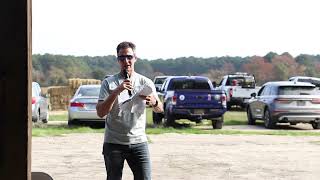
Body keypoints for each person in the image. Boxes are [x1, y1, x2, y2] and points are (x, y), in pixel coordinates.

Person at [96, 41, 164, 180]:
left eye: (129, 57)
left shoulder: (146, 82)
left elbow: (160, 109)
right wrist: (116, 91)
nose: (126, 61)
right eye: (121, 58)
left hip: (139, 142)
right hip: (114, 143)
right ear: (117, 60)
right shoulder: (109, 83)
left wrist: (154, 102)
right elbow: (101, 113)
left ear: (135, 58)